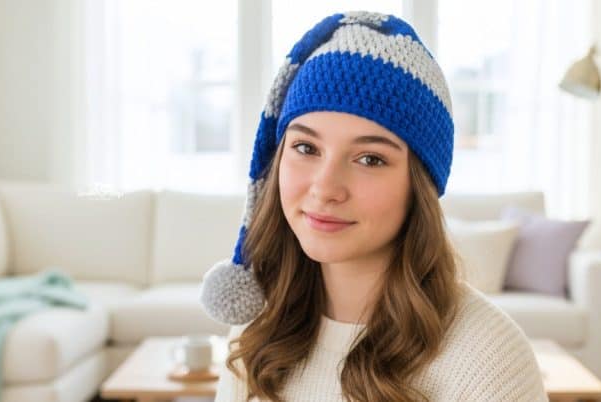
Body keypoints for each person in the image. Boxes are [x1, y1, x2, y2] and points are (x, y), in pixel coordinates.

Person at [200, 10, 548, 402]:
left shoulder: (488, 358)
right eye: (305, 147)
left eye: (370, 159)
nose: (325, 188)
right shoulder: (256, 330)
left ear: (419, 186)